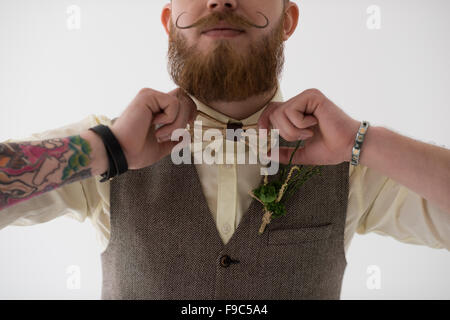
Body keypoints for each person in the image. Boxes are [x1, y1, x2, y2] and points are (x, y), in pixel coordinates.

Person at [0, 0, 449, 300]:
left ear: (288, 19)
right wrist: (107, 149)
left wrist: (362, 142)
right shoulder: (104, 146)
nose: (220, 0)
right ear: (167, 20)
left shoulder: (351, 162)